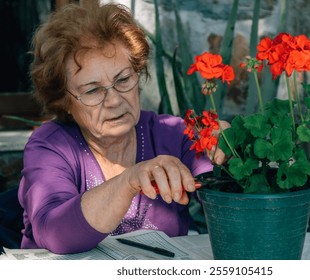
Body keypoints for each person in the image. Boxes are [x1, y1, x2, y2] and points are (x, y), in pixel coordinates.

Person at [18, 3, 226, 254]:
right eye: (93, 90)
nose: (115, 100)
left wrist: (227, 150)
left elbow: (228, 194)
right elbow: (55, 232)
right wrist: (128, 181)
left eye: (123, 80)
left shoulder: (172, 135)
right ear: (64, 100)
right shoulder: (51, 146)